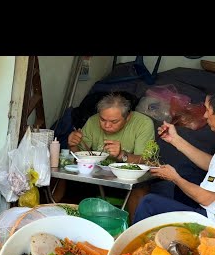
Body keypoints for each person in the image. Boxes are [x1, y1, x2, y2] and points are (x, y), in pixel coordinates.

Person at [54, 93, 155, 221]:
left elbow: (146, 161)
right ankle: (54, 218)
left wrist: (122, 155)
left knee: (140, 191)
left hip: (128, 179)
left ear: (128, 117)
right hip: (96, 177)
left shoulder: (143, 124)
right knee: (62, 176)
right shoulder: (93, 121)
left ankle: (131, 233)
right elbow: (79, 157)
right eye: (102, 120)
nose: (106, 125)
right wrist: (72, 144)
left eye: (114, 121)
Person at [133, 93, 215, 224]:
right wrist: (175, 140)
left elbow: (206, 198)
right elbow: (211, 164)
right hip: (206, 208)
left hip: (209, 219)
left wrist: (174, 178)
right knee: (187, 179)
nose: (205, 115)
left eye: (208, 110)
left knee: (148, 203)